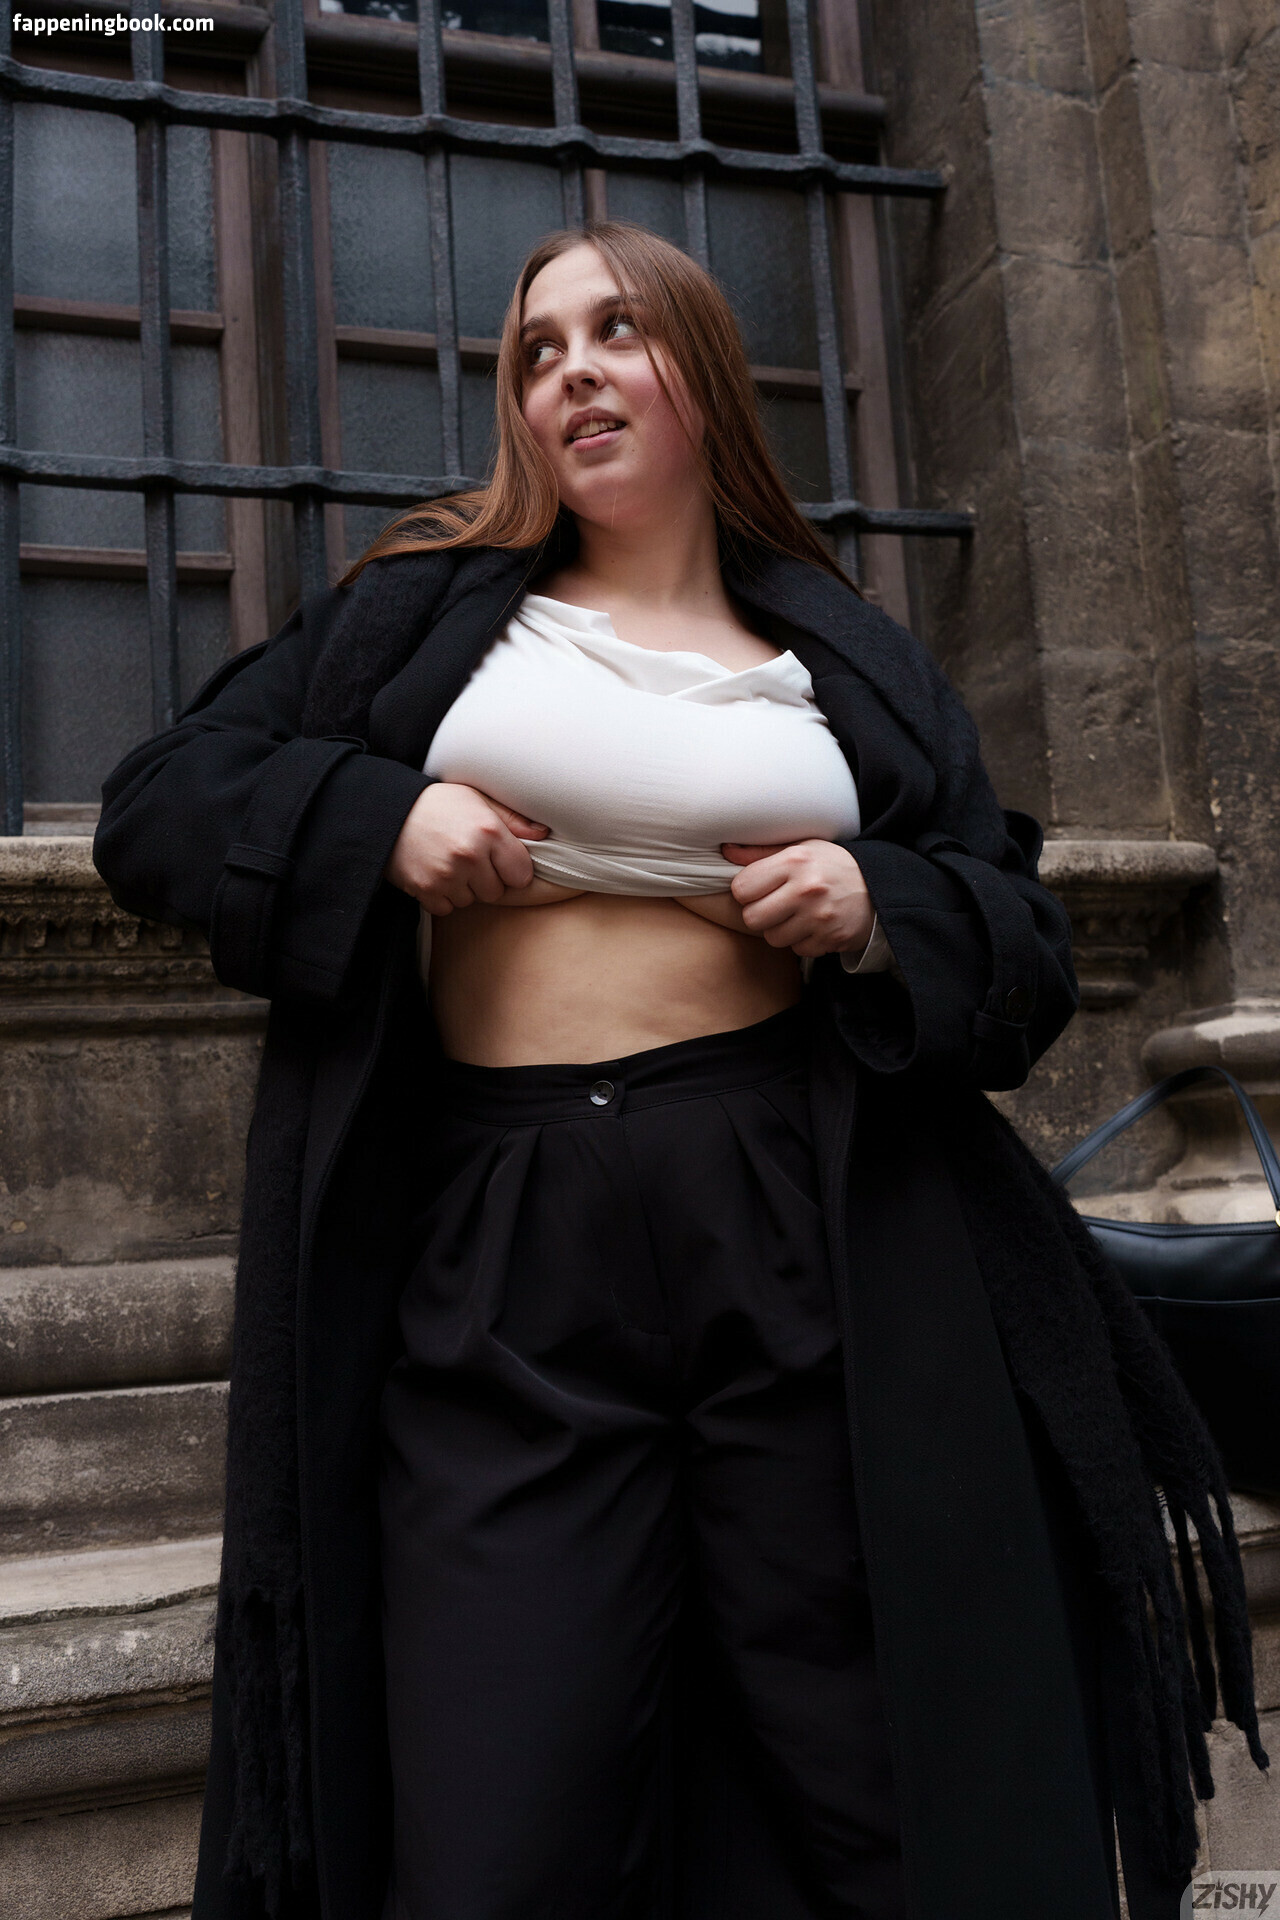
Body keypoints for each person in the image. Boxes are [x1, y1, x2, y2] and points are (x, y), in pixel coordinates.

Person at [94, 222, 1267, 1920]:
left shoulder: (845, 660)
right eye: (538, 350)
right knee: (499, 1822)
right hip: (502, 1238)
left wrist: (876, 906)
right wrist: (383, 817)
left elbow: (1018, 941)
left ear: (703, 373)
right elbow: (158, 805)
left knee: (870, 1785)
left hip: (799, 1225)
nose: (572, 369)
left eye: (618, 331)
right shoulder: (424, 618)